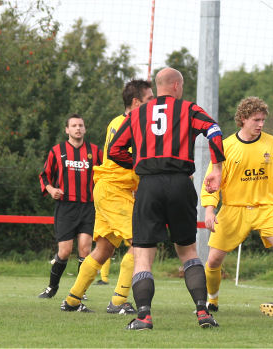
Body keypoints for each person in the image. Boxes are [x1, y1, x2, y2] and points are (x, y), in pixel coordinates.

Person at [108, 67, 225, 330]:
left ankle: (144, 317)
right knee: (188, 252)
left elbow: (114, 149)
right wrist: (216, 168)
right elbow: (214, 130)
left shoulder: (137, 114)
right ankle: (202, 313)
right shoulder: (188, 109)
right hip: (181, 183)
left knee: (142, 256)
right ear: (176, 86)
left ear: (158, 86)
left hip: (148, 185)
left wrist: (139, 163)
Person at [201, 96, 273, 312]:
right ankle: (213, 301)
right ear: (243, 119)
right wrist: (210, 210)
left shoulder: (272, 143)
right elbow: (212, 182)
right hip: (234, 209)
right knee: (212, 261)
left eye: (263, 120)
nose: (260, 124)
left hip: (267, 208)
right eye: (256, 120)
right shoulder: (226, 146)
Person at [59, 79, 153, 313]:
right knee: (140, 243)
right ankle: (119, 301)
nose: (153, 104)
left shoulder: (118, 121)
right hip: (114, 191)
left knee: (104, 249)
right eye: (149, 100)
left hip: (106, 188)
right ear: (136, 102)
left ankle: (72, 300)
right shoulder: (134, 124)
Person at [38, 114, 102, 299]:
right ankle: (52, 287)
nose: (78, 128)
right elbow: (44, 176)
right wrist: (51, 190)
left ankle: (80, 291)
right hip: (65, 207)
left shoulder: (95, 151)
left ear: (85, 128)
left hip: (88, 206)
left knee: (85, 249)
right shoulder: (57, 151)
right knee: (65, 251)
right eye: (74, 125)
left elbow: (106, 173)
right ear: (67, 129)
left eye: (81, 125)